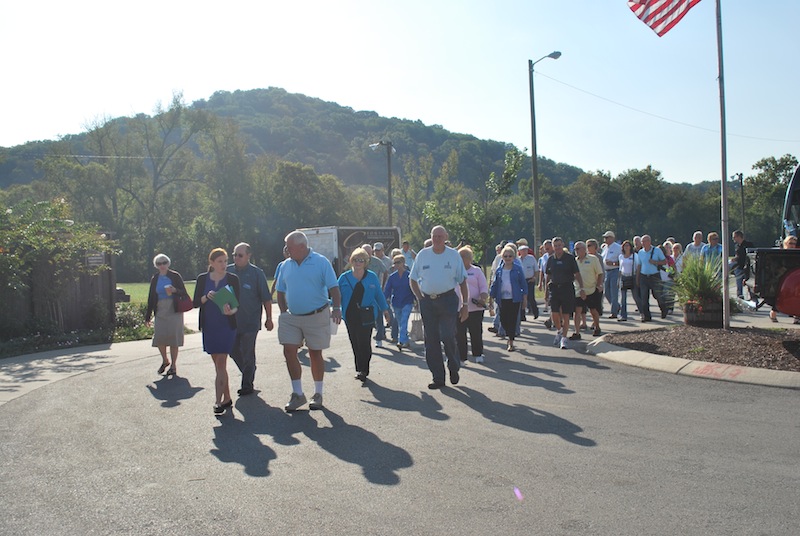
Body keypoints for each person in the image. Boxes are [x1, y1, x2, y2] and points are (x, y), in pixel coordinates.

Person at [275, 231, 342, 411]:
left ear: (302, 247)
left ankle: (318, 393)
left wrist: (336, 308)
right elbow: (280, 291)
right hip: (291, 317)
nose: (286, 250)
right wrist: (283, 312)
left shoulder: (320, 262)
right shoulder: (285, 266)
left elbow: (334, 288)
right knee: (289, 351)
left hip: (317, 314)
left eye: (289, 247)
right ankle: (297, 394)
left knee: (314, 353)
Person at [409, 225, 469, 389]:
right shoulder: (423, 255)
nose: (437, 239)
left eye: (440, 236)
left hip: (448, 300)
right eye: (434, 236)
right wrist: (420, 297)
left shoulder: (453, 255)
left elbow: (463, 281)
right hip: (428, 302)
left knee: (448, 335)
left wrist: (465, 305)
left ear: (446, 237)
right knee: (432, 340)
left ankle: (453, 365)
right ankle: (438, 377)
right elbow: (413, 279)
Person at [194, 248, 240, 415]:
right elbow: (195, 302)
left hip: (226, 326)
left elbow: (237, 304)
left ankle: (218, 401)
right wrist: (206, 297)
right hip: (209, 325)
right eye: (220, 261)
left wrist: (231, 311)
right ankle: (227, 397)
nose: (224, 264)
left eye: (226, 261)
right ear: (212, 263)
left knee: (221, 362)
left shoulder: (232, 279)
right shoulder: (202, 279)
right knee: (218, 366)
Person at [227, 242, 273, 396]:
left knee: (248, 352)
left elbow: (266, 298)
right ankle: (249, 369)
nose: (236, 258)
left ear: (248, 256)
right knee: (232, 350)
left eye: (240, 255)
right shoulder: (228, 272)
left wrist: (269, 318)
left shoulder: (256, 273)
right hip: (231, 322)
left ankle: (247, 384)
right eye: (234, 255)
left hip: (250, 321)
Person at [338, 248, 391, 382]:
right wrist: (333, 308)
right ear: (351, 261)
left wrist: (385, 310)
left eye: (361, 260)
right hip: (350, 315)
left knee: (364, 342)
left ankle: (364, 369)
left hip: (367, 314)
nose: (358, 262)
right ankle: (359, 368)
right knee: (355, 342)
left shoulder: (372, 276)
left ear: (366, 262)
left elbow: (378, 294)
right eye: (356, 260)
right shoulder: (344, 278)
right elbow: (336, 295)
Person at [145, 254, 189, 377]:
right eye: (159, 263)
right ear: (156, 266)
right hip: (160, 309)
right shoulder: (155, 278)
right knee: (160, 338)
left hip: (174, 309)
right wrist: (148, 316)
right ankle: (165, 360)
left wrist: (175, 290)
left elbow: (184, 293)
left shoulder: (175, 276)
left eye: (164, 262)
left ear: (168, 263)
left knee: (174, 338)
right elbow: (151, 297)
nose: (162, 265)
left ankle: (174, 365)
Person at [544, 237, 584, 349]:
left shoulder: (570, 259)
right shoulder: (551, 259)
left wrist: (582, 288)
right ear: (553, 247)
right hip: (554, 288)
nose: (557, 248)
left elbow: (577, 274)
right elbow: (548, 276)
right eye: (555, 246)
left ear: (563, 245)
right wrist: (546, 292)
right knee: (554, 313)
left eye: (559, 245)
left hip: (567, 288)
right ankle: (559, 330)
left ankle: (564, 338)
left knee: (566, 315)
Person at [489, 244, 527, 352]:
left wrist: (525, 298)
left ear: (513, 257)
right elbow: (495, 284)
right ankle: (508, 334)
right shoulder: (499, 270)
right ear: (502, 257)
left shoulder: (518, 269)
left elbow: (523, 285)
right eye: (505, 256)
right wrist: (491, 297)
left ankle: (511, 341)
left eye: (510, 256)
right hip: (502, 298)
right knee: (503, 320)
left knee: (512, 320)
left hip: (514, 298)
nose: (507, 258)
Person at [457, 246, 489, 362]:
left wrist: (483, 298)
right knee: (460, 334)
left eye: (464, 257)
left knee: (475, 332)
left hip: (475, 308)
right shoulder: (456, 272)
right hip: (459, 308)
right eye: (460, 257)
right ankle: (461, 357)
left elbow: (484, 287)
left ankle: (478, 354)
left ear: (470, 258)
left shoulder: (476, 271)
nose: (461, 259)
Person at [571, 241, 604, 339]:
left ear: (584, 249)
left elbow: (600, 273)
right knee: (577, 311)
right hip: (579, 290)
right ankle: (577, 332)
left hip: (591, 289)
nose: (576, 251)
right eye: (575, 249)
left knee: (593, 310)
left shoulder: (593, 259)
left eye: (578, 249)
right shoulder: (574, 261)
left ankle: (597, 327)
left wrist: (599, 285)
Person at [384, 254, 415, 351]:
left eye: (398, 262)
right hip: (396, 302)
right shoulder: (392, 277)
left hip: (407, 301)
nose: (396, 265)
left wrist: (417, 300)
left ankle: (401, 341)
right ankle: (405, 341)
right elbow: (387, 290)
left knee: (404, 320)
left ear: (403, 263)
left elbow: (413, 288)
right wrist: (384, 300)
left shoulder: (409, 275)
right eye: (395, 263)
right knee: (400, 322)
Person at [635, 235, 667, 321]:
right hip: (644, 276)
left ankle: (663, 309)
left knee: (658, 295)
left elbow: (664, 261)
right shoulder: (640, 252)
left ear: (649, 241)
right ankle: (647, 316)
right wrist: (637, 278)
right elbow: (639, 265)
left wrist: (655, 262)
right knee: (644, 297)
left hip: (654, 276)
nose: (643, 243)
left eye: (645, 241)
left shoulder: (657, 250)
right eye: (642, 242)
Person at [362, 243, 388, 347]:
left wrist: (382, 286)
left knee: (379, 315)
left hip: (374, 290)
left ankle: (379, 337)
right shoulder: (358, 261)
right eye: (365, 252)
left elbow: (385, 271)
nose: (366, 255)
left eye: (368, 253)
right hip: (362, 291)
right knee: (364, 315)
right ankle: (365, 338)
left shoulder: (377, 261)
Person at [601, 231, 622, 319]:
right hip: (606, 271)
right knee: (606, 293)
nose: (605, 239)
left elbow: (622, 261)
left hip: (615, 270)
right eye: (605, 237)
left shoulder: (618, 248)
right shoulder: (605, 248)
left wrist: (613, 263)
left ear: (612, 238)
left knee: (614, 292)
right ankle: (617, 306)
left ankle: (614, 312)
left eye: (607, 237)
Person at [729, 230, 754, 299]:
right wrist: (735, 259)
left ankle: (753, 298)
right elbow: (738, 255)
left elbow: (751, 255)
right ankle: (739, 296)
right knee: (739, 283)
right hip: (739, 266)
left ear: (739, 236)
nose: (733, 239)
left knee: (749, 283)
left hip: (747, 267)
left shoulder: (748, 244)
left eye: (734, 237)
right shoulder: (737, 246)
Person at [518, 245, 539, 319]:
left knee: (530, 297)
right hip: (520, 281)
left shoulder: (531, 258)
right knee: (521, 298)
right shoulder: (517, 260)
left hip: (530, 280)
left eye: (526, 250)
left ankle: (535, 312)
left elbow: (536, 269)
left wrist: (535, 278)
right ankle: (522, 315)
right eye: (523, 250)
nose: (524, 252)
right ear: (519, 251)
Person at [617, 240, 636, 322]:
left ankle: (643, 312)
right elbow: (620, 268)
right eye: (625, 246)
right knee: (623, 298)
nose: (626, 247)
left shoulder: (634, 256)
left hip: (632, 277)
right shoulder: (621, 256)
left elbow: (637, 266)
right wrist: (619, 279)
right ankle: (623, 315)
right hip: (623, 277)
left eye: (628, 246)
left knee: (636, 297)